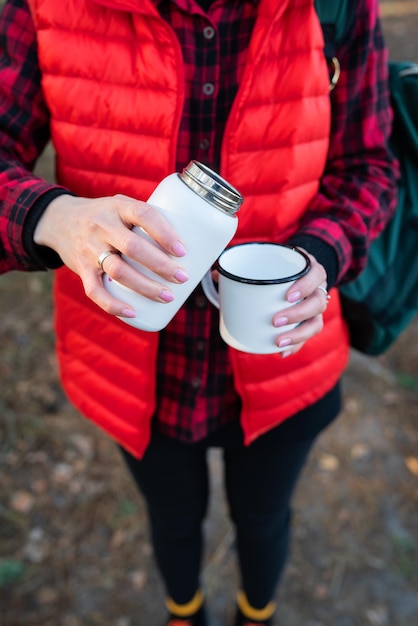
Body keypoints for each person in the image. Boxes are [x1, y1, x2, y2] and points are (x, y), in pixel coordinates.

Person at [0, 0, 399, 624]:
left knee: (265, 518)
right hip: (127, 365)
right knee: (172, 518)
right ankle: (184, 612)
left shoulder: (341, 8)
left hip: (285, 366)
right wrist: (53, 217)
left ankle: (255, 614)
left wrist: (322, 254)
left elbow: (372, 167)